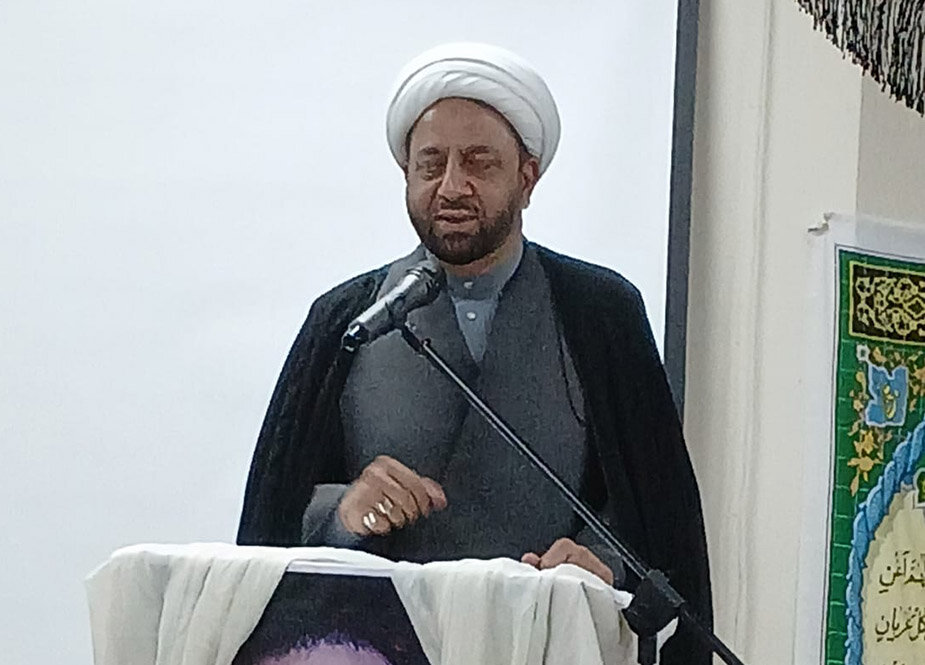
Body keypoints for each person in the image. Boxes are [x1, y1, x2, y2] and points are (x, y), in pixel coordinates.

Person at [238, 43, 711, 665]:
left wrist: (602, 561)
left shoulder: (601, 314)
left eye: (479, 162)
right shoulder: (345, 319)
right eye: (431, 164)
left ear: (527, 177)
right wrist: (340, 514)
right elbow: (267, 531)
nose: (452, 186)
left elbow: (656, 515)